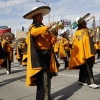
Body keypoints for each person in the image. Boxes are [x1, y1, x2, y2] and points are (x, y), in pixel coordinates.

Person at [23, 6, 59, 100]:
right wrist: (47, 27)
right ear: (34, 17)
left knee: (45, 78)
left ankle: (44, 97)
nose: (41, 17)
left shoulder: (44, 28)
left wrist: (54, 35)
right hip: (39, 55)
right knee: (44, 78)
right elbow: (34, 33)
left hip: (47, 55)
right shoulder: (33, 27)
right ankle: (45, 98)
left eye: (42, 15)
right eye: (39, 15)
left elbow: (52, 42)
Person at [68, 13, 99, 89]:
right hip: (84, 52)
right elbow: (82, 42)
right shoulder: (78, 32)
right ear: (80, 24)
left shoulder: (87, 29)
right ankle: (91, 82)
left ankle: (81, 80)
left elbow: (89, 39)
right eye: (83, 21)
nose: (85, 22)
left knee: (83, 67)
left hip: (89, 50)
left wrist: (94, 33)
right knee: (88, 67)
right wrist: (90, 36)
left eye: (85, 21)